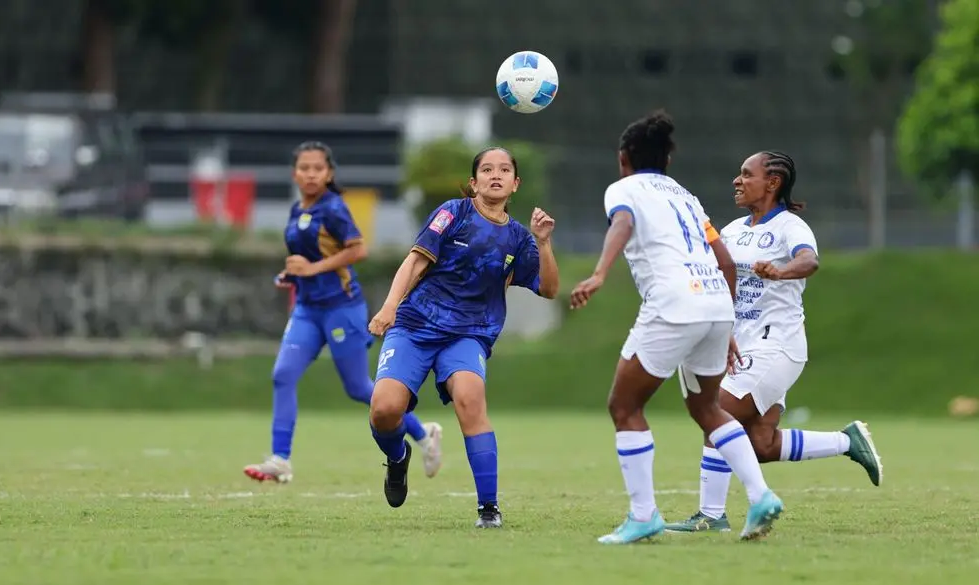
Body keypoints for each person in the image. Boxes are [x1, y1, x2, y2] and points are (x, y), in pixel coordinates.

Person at [570, 110, 783, 544]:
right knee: (708, 409)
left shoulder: (623, 189)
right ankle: (760, 495)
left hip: (673, 303)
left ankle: (643, 515)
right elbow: (724, 260)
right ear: (666, 161)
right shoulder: (684, 195)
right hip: (714, 303)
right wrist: (722, 326)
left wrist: (599, 273)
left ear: (623, 158)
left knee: (624, 407)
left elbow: (624, 223)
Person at [666, 151, 882, 533]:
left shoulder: (789, 227)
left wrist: (781, 272)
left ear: (772, 183)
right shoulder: (732, 230)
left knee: (717, 412)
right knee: (761, 445)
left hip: (777, 345)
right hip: (743, 347)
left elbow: (809, 262)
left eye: (746, 174)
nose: (737, 180)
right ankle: (847, 442)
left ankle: (712, 515)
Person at [365, 146, 559, 528]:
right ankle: (399, 457)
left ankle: (489, 508)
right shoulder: (453, 212)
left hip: (468, 334)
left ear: (515, 184)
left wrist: (544, 242)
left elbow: (550, 289)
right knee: (385, 410)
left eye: (504, 169)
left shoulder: (519, 239)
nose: (495, 175)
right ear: (474, 182)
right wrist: (389, 307)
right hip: (415, 326)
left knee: (470, 399)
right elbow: (415, 261)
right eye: (487, 169)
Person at [244, 141, 442, 484]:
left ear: (329, 173)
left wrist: (312, 269)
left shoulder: (334, 208)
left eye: (317, 168)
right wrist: (291, 273)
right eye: (304, 168)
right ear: (294, 173)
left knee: (358, 388)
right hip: (307, 309)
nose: (310, 174)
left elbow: (358, 250)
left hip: (341, 308)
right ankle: (280, 460)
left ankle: (423, 435)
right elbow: (304, 259)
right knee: (282, 375)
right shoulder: (297, 210)